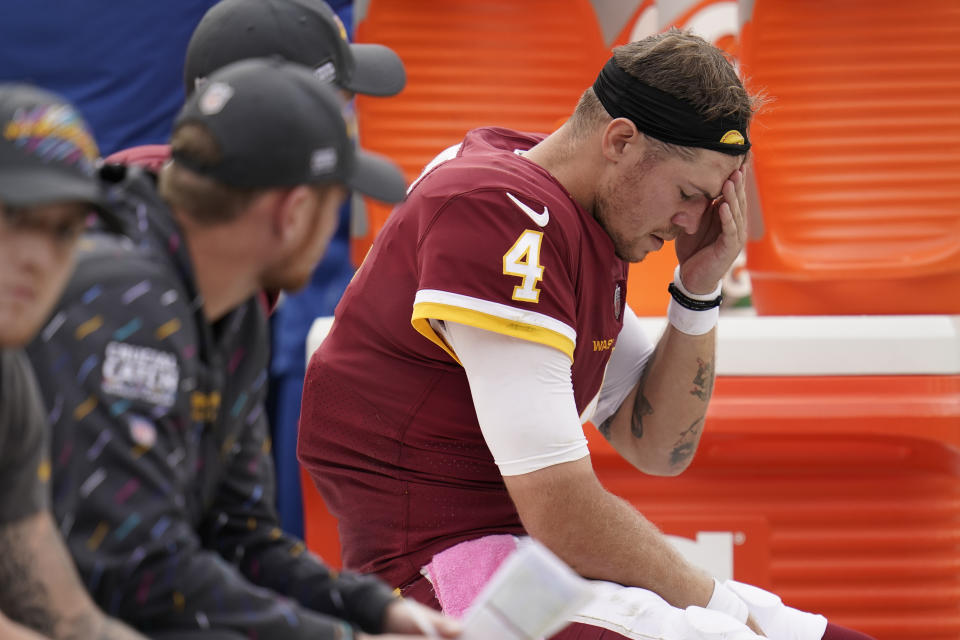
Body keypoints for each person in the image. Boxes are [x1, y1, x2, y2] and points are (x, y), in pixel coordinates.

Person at [298, 30, 875, 640]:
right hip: (449, 577)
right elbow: (561, 509)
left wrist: (699, 291)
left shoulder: (571, 207)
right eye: (688, 194)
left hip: (533, 565)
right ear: (620, 140)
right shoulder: (502, 213)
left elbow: (657, 446)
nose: (690, 224)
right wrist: (721, 605)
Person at [26, 59, 457, 640]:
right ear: (293, 212)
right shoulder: (127, 297)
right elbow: (134, 570)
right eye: (336, 206)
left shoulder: (229, 304)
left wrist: (374, 609)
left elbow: (240, 532)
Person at [103, 0, 408, 537]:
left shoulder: (231, 272)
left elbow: (235, 528)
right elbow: (124, 561)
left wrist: (364, 610)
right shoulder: (125, 283)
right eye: (338, 106)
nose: (351, 127)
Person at [0, 84, 146, 640]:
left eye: (63, 230)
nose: (39, 258)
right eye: (16, 215)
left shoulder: (10, 374)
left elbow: (65, 614)